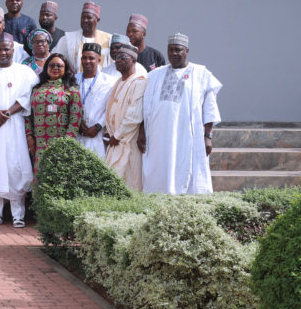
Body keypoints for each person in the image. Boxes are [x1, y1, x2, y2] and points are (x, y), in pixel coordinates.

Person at [141, 33, 222, 194]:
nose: (173, 54)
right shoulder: (156, 74)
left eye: (178, 50)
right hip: (159, 137)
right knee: (159, 170)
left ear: (187, 51)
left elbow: (210, 108)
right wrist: (142, 132)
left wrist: (208, 136)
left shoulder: (201, 73)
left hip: (188, 135)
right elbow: (145, 107)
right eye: (170, 50)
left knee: (188, 171)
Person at [0, 34, 38, 228]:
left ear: (14, 50)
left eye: (7, 49)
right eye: (0, 49)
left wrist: (6, 113)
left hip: (14, 126)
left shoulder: (25, 72)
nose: (3, 52)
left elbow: (28, 96)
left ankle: (18, 215)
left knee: (15, 166)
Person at [25, 53, 82, 174]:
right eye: (52, 65)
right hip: (39, 144)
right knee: (41, 177)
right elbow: (28, 115)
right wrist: (29, 136)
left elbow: (75, 119)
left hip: (61, 144)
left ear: (65, 68)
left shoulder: (71, 90)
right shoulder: (36, 90)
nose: (55, 68)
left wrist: (66, 143)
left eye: (59, 66)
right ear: (46, 67)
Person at [105, 43, 147, 191]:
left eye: (123, 57)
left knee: (129, 183)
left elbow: (134, 116)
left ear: (134, 60)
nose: (118, 60)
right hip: (115, 141)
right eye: (116, 57)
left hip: (128, 142)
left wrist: (117, 135)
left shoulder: (140, 82)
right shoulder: (119, 81)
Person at [75, 43, 116, 158]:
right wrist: (77, 121)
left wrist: (98, 126)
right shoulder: (74, 79)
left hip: (97, 135)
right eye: (84, 58)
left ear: (99, 60)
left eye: (91, 58)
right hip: (78, 133)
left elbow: (111, 108)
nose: (87, 61)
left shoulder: (109, 82)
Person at [52, 1, 111, 72]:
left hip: (101, 82)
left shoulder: (108, 39)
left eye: (89, 17)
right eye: (83, 17)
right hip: (74, 81)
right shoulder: (68, 39)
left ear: (97, 20)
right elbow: (55, 57)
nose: (85, 20)